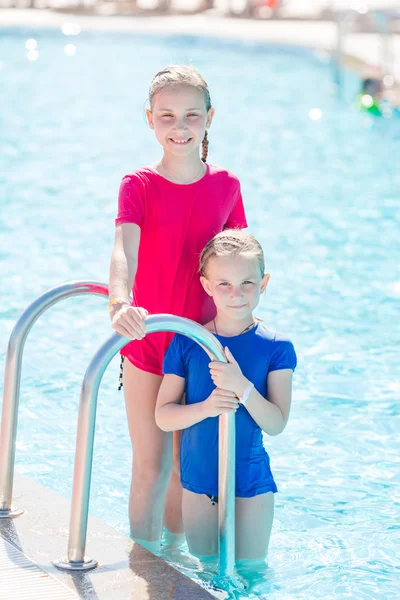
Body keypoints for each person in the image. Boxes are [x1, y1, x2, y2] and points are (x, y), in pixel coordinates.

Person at [108, 66, 247, 551]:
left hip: (198, 349)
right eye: (167, 115)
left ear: (210, 118)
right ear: (150, 119)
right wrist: (119, 300)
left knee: (185, 473)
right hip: (148, 344)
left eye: (191, 115)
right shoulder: (139, 184)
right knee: (150, 467)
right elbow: (124, 249)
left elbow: (240, 260)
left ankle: (171, 569)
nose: (180, 126)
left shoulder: (226, 185)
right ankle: (142, 568)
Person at [155, 229, 297, 560]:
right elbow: (163, 416)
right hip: (198, 481)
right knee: (205, 576)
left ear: (264, 283)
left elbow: (276, 424)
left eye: (247, 282)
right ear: (207, 285)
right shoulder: (188, 341)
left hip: (251, 483)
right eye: (224, 284)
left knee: (249, 575)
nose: (237, 293)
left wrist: (241, 386)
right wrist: (206, 407)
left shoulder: (276, 347)